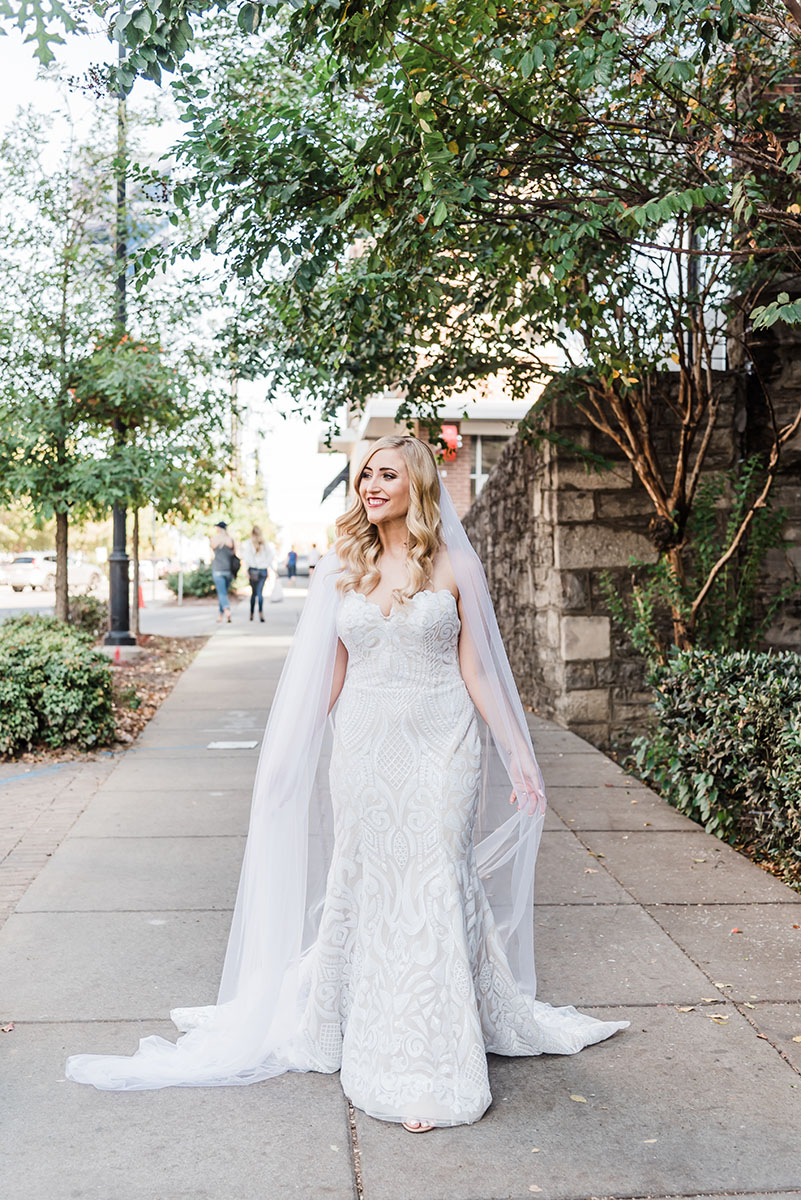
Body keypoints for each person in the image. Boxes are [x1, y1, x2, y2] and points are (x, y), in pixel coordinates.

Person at [65, 436, 627, 1130]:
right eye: (364, 475)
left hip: (442, 741)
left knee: (433, 875)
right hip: (363, 747)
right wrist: (287, 757)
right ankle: (365, 1022)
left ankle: (425, 1057)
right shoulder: (346, 565)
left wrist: (517, 754)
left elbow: (478, 672)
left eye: (385, 474)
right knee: (369, 879)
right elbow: (327, 673)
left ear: (416, 484)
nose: (370, 485)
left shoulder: (455, 566)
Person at [242, 526, 273, 623]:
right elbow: (270, 556)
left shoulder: (248, 543)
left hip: (253, 570)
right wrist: (266, 565)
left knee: (254, 593)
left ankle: (251, 613)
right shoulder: (265, 544)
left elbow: (247, 558)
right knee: (260, 593)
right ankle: (260, 612)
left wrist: (247, 569)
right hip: (263, 570)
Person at [209, 522, 237, 624]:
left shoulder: (214, 539)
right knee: (223, 593)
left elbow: (211, 552)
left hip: (217, 569)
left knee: (222, 594)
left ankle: (227, 611)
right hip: (228, 569)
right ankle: (220, 615)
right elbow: (235, 553)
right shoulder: (231, 540)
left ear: (218, 528)